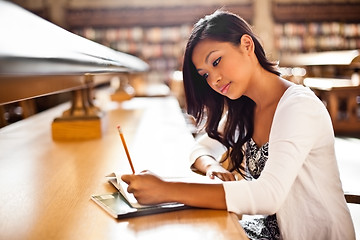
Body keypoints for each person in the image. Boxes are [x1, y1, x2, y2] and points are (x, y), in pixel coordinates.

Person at [122, 10, 355, 239]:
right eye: (204, 75)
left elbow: (268, 196)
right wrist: (212, 167)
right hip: (266, 231)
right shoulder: (245, 108)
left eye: (217, 61)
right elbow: (200, 148)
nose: (213, 80)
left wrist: (166, 190)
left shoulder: (298, 106)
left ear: (247, 45)